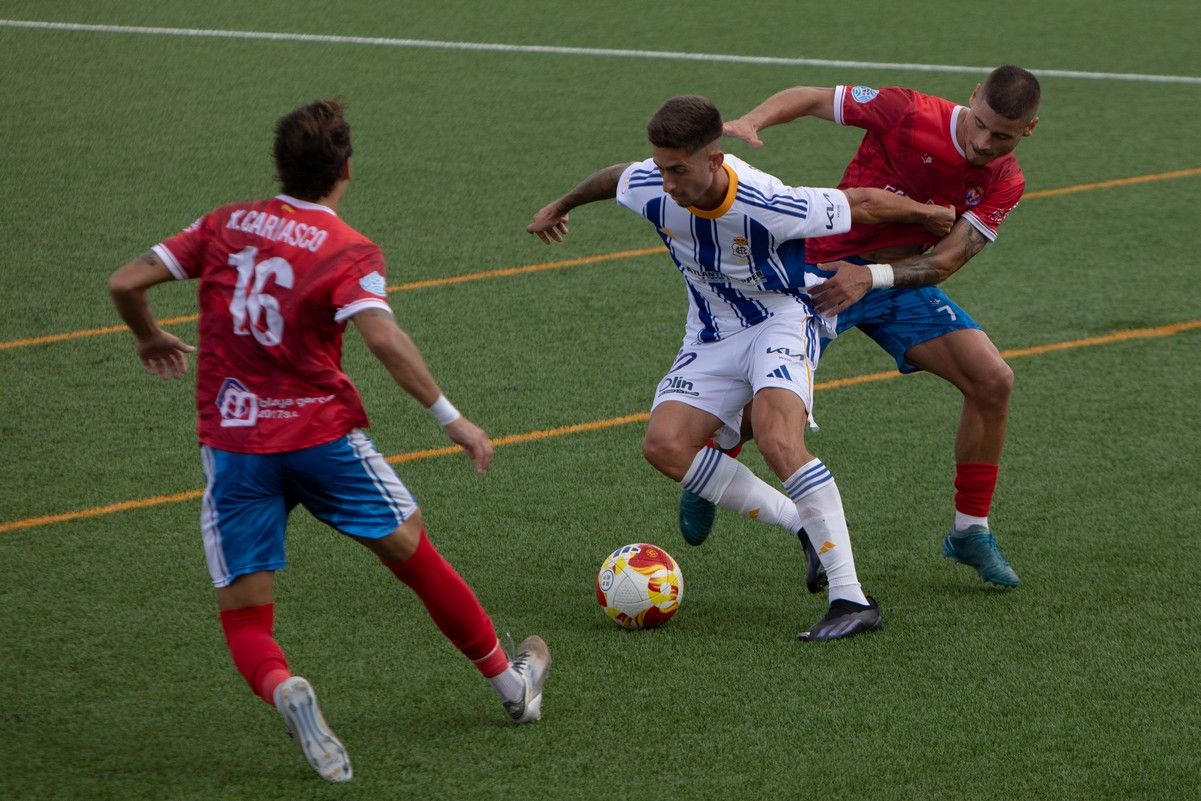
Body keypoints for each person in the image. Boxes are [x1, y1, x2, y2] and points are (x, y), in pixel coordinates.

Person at [107, 99, 550, 784]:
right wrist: (451, 418)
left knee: (247, 617)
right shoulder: (347, 248)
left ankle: (283, 683)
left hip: (236, 448)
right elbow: (381, 337)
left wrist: (147, 333)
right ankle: (511, 688)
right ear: (345, 170)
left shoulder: (223, 224)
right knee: (415, 556)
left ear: (278, 165)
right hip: (322, 440)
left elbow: (125, 280)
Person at [527, 96, 953, 641]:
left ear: (714, 157)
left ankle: (852, 598)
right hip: (711, 332)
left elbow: (862, 203)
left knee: (778, 439)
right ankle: (801, 523)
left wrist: (930, 215)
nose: (667, 181)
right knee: (665, 446)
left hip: (783, 317)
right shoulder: (651, 182)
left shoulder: (764, 199)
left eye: (678, 169)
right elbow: (616, 177)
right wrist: (560, 204)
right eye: (660, 166)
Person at [680, 66, 1040, 589]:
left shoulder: (1006, 181)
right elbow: (810, 97)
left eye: (1002, 136)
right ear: (973, 96)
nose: (985, 142)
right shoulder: (909, 111)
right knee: (768, 406)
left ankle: (970, 531)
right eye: (981, 124)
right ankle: (716, 457)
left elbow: (944, 262)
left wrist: (870, 279)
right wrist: (751, 120)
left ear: (1028, 130)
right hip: (822, 273)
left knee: (993, 380)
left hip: (891, 283)